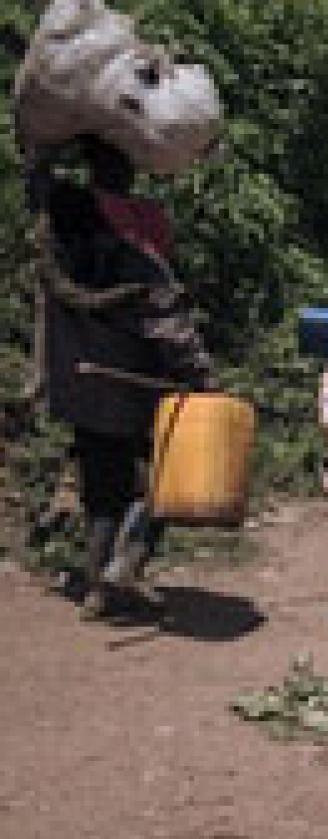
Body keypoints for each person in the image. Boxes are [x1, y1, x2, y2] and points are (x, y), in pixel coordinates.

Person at [34, 138, 215, 619]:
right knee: (162, 483)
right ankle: (126, 566)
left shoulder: (63, 221)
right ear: (128, 171)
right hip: (135, 378)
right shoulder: (136, 231)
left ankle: (97, 591)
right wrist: (199, 374)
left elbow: (38, 182)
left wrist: (53, 150)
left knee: (100, 487)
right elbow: (163, 312)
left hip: (79, 377)